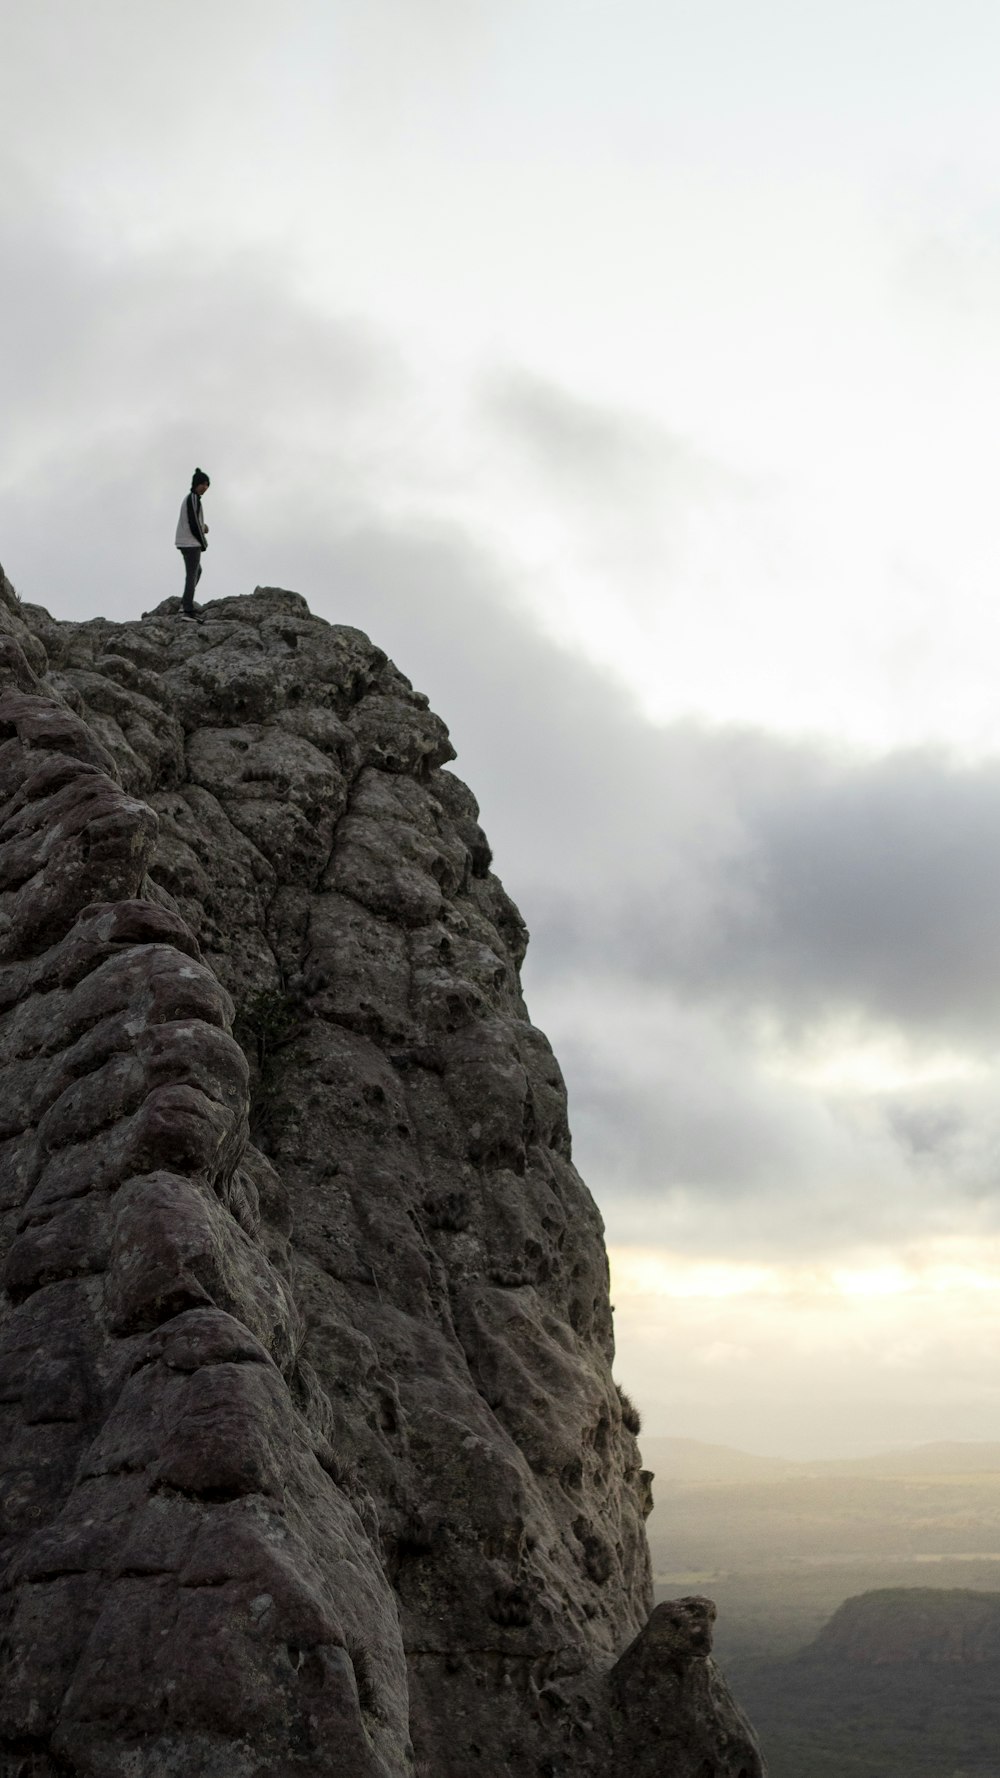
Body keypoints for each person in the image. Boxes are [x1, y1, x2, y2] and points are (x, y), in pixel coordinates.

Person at [175, 469, 210, 618]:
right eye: (203, 484)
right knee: (192, 574)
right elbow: (193, 522)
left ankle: (185, 602)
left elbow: (195, 521)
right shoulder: (193, 498)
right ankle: (187, 609)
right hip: (190, 543)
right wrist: (203, 543)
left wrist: (203, 527)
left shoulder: (191, 499)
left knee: (197, 571)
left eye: (207, 485)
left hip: (185, 541)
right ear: (196, 484)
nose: (206, 487)